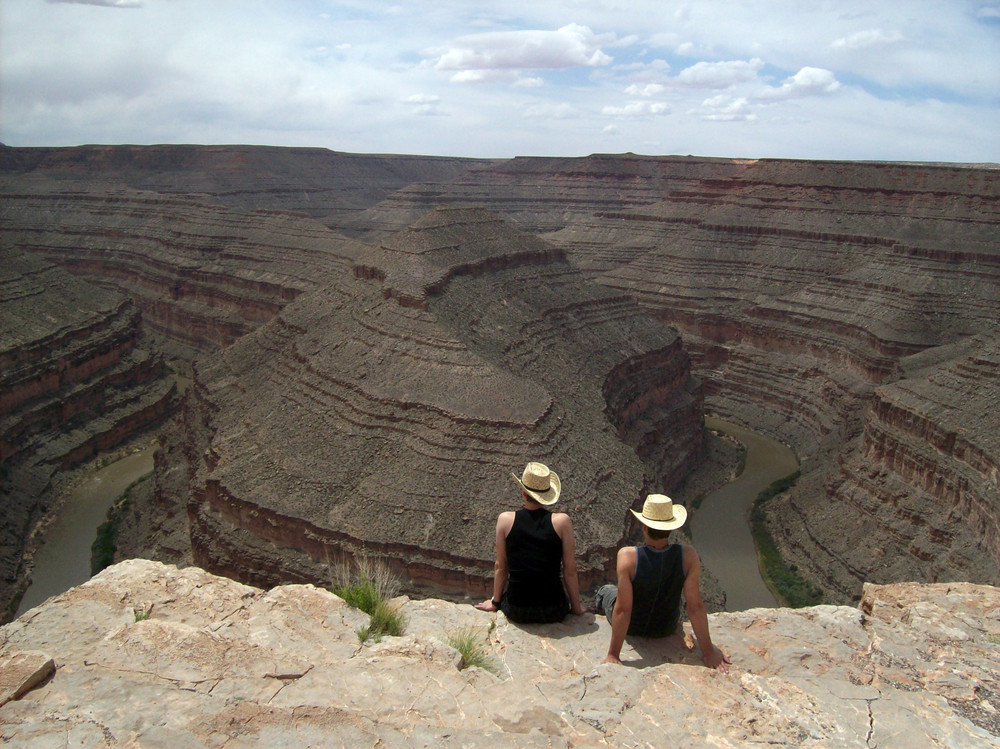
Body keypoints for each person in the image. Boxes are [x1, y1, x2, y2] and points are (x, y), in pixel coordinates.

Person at [597, 493, 730, 671]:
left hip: (633, 628)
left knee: (606, 590)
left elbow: (623, 609)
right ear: (670, 528)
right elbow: (695, 606)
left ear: (644, 527)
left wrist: (613, 654)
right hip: (666, 627)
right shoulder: (688, 556)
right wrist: (708, 652)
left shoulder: (627, 557)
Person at [475, 461, 584, 622]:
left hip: (517, 610)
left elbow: (501, 566)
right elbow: (570, 570)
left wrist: (495, 602)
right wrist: (576, 609)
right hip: (554, 610)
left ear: (523, 493)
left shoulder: (505, 520)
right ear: (547, 496)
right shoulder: (562, 522)